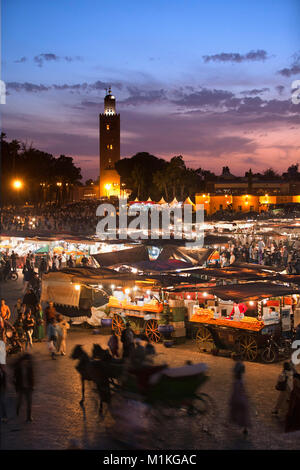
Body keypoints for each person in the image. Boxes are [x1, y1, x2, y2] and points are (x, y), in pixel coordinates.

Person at [229, 361, 251, 436]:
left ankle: (230, 422)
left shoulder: (236, 382)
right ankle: (245, 428)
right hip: (242, 400)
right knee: (243, 415)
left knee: (234, 412)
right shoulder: (241, 381)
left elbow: (235, 392)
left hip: (237, 400)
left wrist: (232, 400)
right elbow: (243, 390)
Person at [13, 353, 34, 422]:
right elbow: (14, 378)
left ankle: (29, 417)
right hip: (21, 388)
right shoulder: (18, 369)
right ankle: (17, 411)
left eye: (27, 361)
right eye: (25, 361)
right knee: (19, 401)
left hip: (28, 388)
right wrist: (16, 386)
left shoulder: (29, 368)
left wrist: (32, 386)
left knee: (29, 403)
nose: (26, 362)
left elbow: (32, 378)